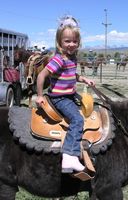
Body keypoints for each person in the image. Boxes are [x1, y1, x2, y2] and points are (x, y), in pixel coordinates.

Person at [35, 15, 95, 173]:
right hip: (60, 97)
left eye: (74, 41)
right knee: (77, 119)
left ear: (79, 42)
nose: (71, 44)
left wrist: (83, 79)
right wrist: (40, 95)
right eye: (67, 41)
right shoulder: (59, 59)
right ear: (59, 42)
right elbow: (42, 76)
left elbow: (70, 74)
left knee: (89, 107)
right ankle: (69, 156)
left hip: (71, 94)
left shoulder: (71, 58)